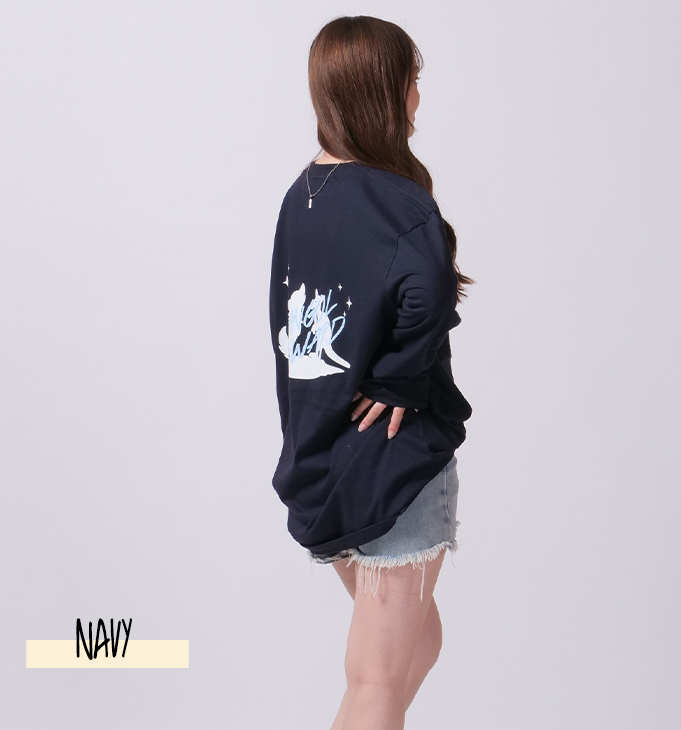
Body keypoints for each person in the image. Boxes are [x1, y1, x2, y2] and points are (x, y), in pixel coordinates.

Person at [268, 15, 473, 730]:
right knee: (378, 676)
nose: (418, 99)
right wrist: (398, 382)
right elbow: (431, 291)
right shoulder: (400, 201)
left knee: (419, 643)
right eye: (412, 82)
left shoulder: (302, 196)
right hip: (394, 461)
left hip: (324, 458)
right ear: (383, 92)